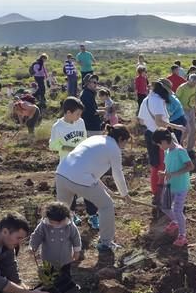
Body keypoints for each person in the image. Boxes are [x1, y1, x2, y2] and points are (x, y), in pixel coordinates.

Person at [56, 124, 131, 252]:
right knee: (106, 205)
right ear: (120, 139)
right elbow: (117, 174)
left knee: (62, 211)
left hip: (62, 174)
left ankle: (57, 241)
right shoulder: (114, 149)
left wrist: (106, 190)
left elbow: (91, 171)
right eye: (125, 142)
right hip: (79, 178)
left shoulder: (96, 138)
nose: (124, 146)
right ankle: (106, 243)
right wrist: (125, 194)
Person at [50, 97, 98, 228]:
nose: (79, 117)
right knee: (70, 191)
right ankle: (71, 214)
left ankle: (93, 216)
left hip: (82, 162)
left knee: (88, 187)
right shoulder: (58, 127)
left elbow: (84, 139)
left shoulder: (80, 122)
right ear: (68, 112)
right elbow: (52, 145)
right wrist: (66, 148)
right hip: (67, 164)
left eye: (80, 114)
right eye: (77, 114)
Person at [139, 79, 187, 202]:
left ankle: (156, 192)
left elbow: (141, 120)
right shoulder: (158, 101)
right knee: (163, 164)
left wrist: (151, 126)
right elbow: (159, 121)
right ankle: (162, 194)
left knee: (155, 164)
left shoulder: (146, 100)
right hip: (160, 136)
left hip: (149, 134)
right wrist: (178, 127)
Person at [153, 128, 194, 247]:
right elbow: (168, 166)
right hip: (170, 184)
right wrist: (165, 173)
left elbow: (190, 166)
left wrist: (173, 174)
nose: (160, 147)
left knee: (177, 210)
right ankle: (176, 221)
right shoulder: (167, 151)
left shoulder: (180, 151)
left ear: (165, 141)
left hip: (181, 186)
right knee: (165, 207)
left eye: (159, 144)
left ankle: (182, 235)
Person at [29, 201, 81, 281]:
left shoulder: (70, 225)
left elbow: (75, 238)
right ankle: (49, 285)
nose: (58, 225)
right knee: (49, 273)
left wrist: (76, 251)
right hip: (48, 257)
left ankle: (66, 284)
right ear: (48, 218)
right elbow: (37, 236)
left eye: (60, 223)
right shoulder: (44, 225)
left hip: (65, 256)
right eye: (54, 223)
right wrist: (33, 246)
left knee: (65, 273)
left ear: (66, 218)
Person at [176, 74, 196, 155]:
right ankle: (179, 145)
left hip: (191, 109)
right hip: (182, 110)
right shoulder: (182, 87)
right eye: (193, 83)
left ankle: (189, 149)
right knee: (186, 130)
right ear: (189, 80)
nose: (194, 85)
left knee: (193, 130)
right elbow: (176, 100)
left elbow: (195, 98)